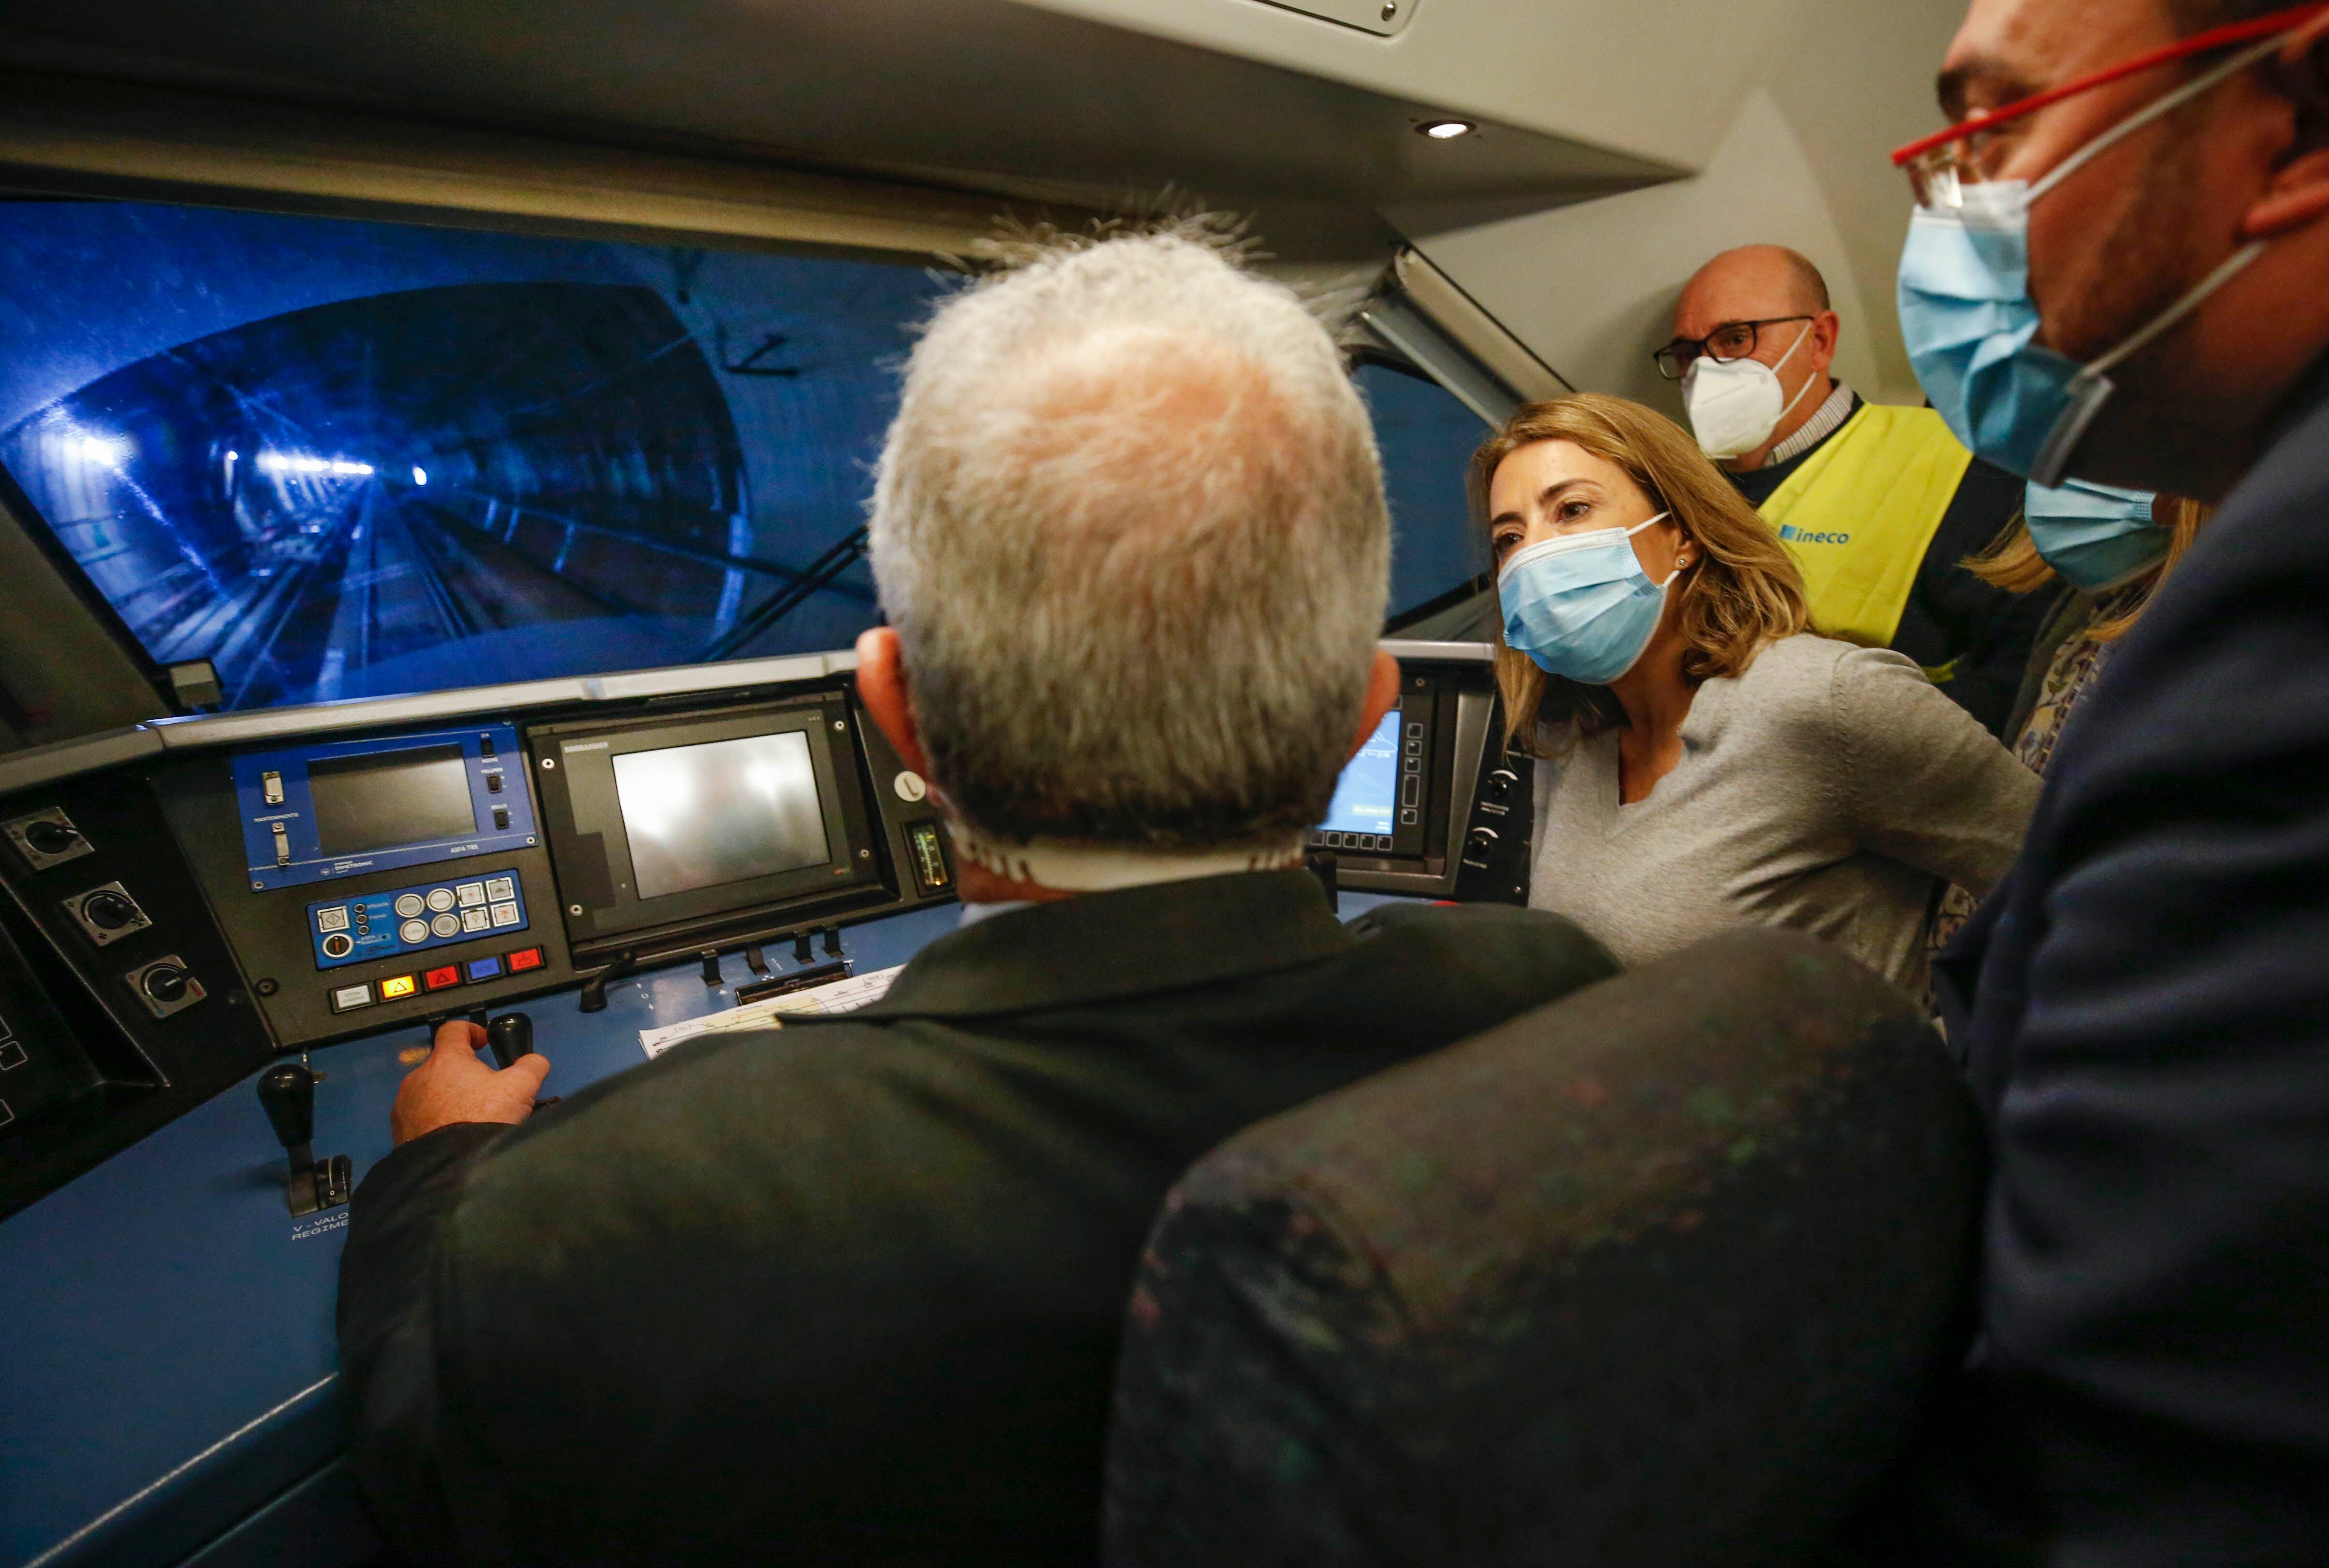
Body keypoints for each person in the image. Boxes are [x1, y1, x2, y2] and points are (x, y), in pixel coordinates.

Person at [334, 227, 1622, 1566]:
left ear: (894, 710)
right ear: (1372, 707)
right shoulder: (1559, 1012)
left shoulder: (607, 1206)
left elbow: (433, 1478)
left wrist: (434, 1165)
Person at [1866, 0, 2329, 1558]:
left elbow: (2147, 1467)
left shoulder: (2286, 609)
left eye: (1993, 130)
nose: (1956, 208)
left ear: (2300, 119)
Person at [1479, 392, 2040, 993]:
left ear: (1680, 536)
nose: (1533, 552)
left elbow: (2076, 878)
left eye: (1570, 510)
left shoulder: (1823, 699)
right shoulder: (1569, 735)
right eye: (1509, 538)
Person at [1660, 245, 2051, 738]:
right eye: (1686, 353)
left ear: (1819, 341)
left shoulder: (1950, 463)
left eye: (1736, 339)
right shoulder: (1673, 494)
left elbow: (2020, 671)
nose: (1706, 369)